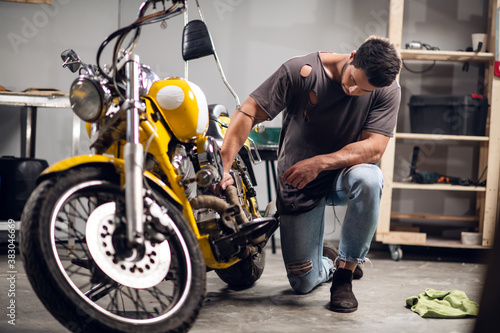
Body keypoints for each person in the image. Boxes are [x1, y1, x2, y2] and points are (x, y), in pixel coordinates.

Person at [220, 35, 401, 313]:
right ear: (353, 56)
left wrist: (319, 163)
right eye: (353, 80)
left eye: (363, 91)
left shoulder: (386, 89)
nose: (353, 90)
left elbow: (375, 147)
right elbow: (249, 112)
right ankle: (326, 262)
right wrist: (225, 166)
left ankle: (345, 273)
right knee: (302, 284)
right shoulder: (300, 71)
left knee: (370, 179)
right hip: (297, 180)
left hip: (342, 176)